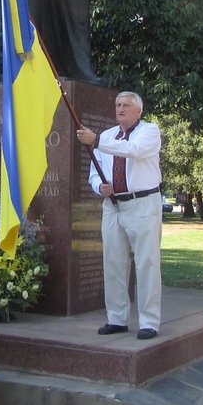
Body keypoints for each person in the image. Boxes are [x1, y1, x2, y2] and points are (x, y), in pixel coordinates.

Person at [76, 91, 163, 339]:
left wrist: (96, 141)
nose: (120, 109)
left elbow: (133, 150)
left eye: (126, 105)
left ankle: (149, 322)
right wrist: (98, 187)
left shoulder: (149, 131)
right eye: (117, 105)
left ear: (138, 110)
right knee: (113, 262)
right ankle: (117, 318)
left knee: (146, 263)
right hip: (113, 206)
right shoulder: (107, 136)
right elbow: (94, 171)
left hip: (142, 203)